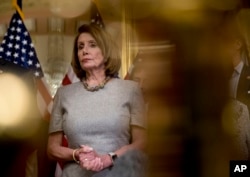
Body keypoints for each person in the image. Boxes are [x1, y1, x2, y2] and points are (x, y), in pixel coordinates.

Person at [47, 24, 147, 177]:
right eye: (80, 47)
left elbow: (142, 142)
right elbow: (52, 149)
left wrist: (108, 158)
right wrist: (77, 154)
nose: (84, 51)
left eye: (92, 45)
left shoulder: (131, 90)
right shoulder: (63, 94)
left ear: (107, 52)